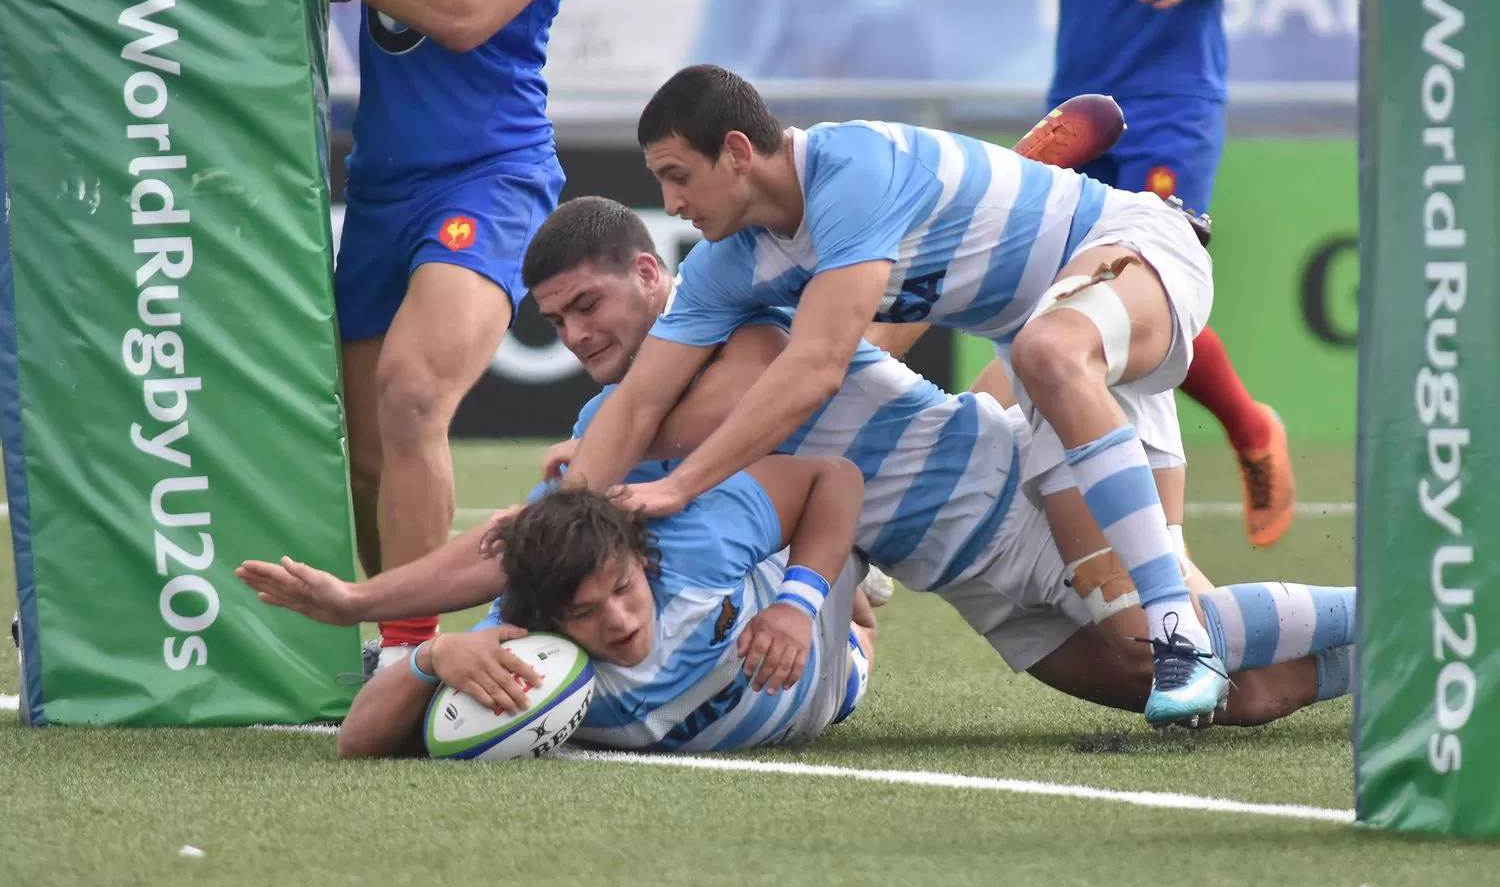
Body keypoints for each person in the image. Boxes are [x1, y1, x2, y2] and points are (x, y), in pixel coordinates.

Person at [515, 196, 1355, 727]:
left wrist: (597, 457)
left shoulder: (746, 320)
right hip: (973, 585)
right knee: (1244, 699)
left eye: (588, 304)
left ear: (651, 272)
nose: (579, 335)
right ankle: (1417, 652)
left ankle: (1424, 602)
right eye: (558, 324)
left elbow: (766, 397)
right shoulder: (612, 420)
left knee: (1171, 644)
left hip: (1022, 497)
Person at [557, 66, 1231, 727]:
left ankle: (1178, 629)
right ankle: (1265, 630)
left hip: (1129, 254)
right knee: (1157, 651)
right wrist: (556, 525)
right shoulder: (732, 263)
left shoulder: (850, 169)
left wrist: (677, 487)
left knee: (1050, 353)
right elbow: (639, 404)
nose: (671, 204)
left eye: (677, 176)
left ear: (736, 152)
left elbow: (817, 366)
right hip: (1042, 344)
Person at [239, 455, 876, 758]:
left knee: (853, 616)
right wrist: (432, 657)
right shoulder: (521, 649)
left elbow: (836, 478)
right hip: (798, 712)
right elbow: (356, 743)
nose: (620, 620)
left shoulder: (699, 545)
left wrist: (798, 603)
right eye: (585, 613)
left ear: (642, 560)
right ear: (547, 618)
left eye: (623, 589)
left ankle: (850, 592)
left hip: (820, 665)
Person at [309, 0, 575, 670]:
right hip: (377, 188)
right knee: (367, 457)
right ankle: (395, 631)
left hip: (490, 176)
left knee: (414, 392)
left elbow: (465, 13)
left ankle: (407, 659)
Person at [985, 0, 1299, 548]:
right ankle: (1097, 517)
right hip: (1079, 100)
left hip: (1172, 102)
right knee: (1064, 297)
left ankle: (1243, 433)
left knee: (1140, 279)